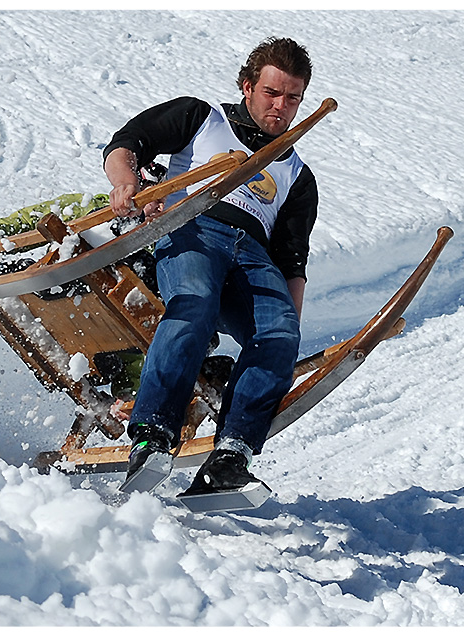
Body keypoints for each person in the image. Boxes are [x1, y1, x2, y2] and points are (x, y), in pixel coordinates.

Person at [102, 37, 318, 498]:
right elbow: (125, 145)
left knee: (278, 331)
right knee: (194, 305)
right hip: (192, 227)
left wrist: (285, 341)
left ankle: (228, 460)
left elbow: (292, 262)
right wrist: (127, 185)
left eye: (293, 97)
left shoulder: (298, 175)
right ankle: (153, 435)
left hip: (254, 257)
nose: (281, 106)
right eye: (271, 93)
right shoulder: (201, 118)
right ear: (247, 87)